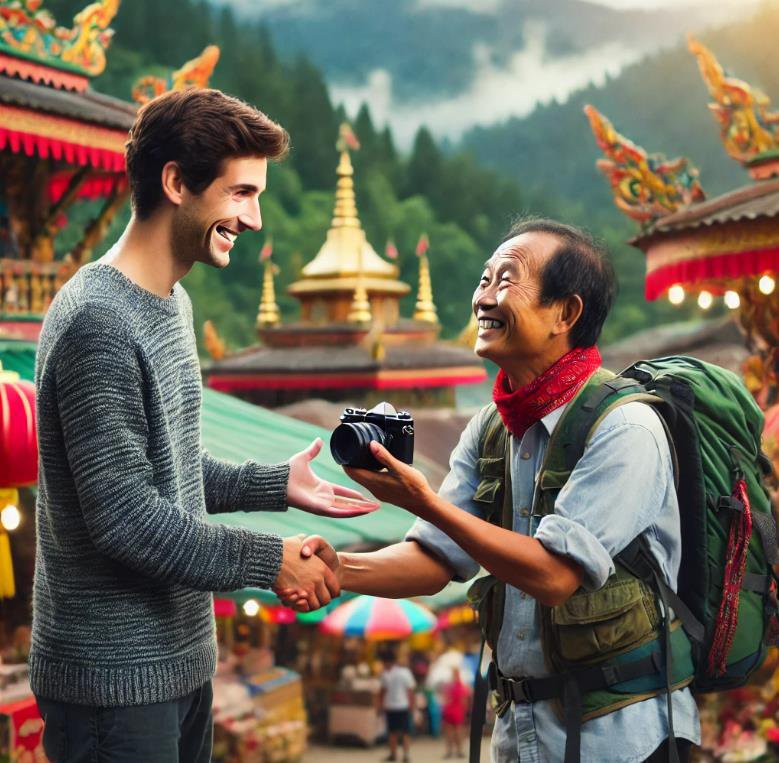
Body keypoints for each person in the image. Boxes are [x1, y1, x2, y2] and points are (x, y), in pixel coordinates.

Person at [31, 88, 377, 763]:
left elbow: (166, 467)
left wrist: (273, 483)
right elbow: (127, 517)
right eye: (241, 192)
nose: (253, 218)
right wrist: (267, 558)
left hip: (180, 665)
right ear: (176, 183)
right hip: (113, 684)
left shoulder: (170, 302)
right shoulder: (98, 323)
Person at [286, 218, 702, 761]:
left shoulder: (626, 429)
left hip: (623, 736)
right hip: (519, 733)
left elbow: (554, 575)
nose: (484, 296)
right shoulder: (491, 428)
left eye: (506, 279)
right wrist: (336, 568)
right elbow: (434, 560)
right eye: (484, 279)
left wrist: (424, 501)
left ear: (565, 313)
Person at [380, 649, 416, 763]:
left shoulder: (385, 674)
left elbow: (382, 691)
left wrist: (380, 705)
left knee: (393, 732)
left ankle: (394, 754)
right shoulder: (405, 672)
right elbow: (410, 690)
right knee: (405, 732)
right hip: (402, 706)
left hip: (392, 707)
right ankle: (404, 755)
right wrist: (412, 705)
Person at [441, 667, 470, 759]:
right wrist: (465, 711)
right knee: (457, 731)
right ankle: (458, 751)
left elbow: (445, 698)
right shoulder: (462, 686)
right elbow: (464, 700)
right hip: (457, 710)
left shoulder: (449, 685)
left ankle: (450, 751)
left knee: (450, 732)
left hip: (450, 710)